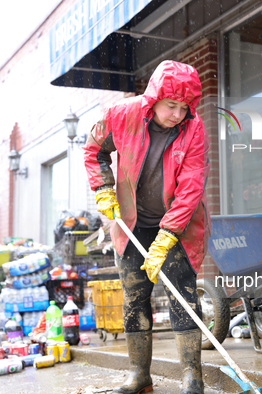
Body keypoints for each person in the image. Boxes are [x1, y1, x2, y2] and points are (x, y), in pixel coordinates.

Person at [84, 60, 210, 394]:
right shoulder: (121, 115)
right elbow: (94, 149)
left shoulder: (194, 130)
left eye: (185, 107)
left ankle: (191, 377)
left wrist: (167, 235)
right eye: (171, 106)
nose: (178, 115)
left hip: (178, 225)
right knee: (134, 297)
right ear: (153, 99)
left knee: (183, 296)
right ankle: (139, 374)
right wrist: (102, 188)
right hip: (131, 224)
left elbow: (191, 186)